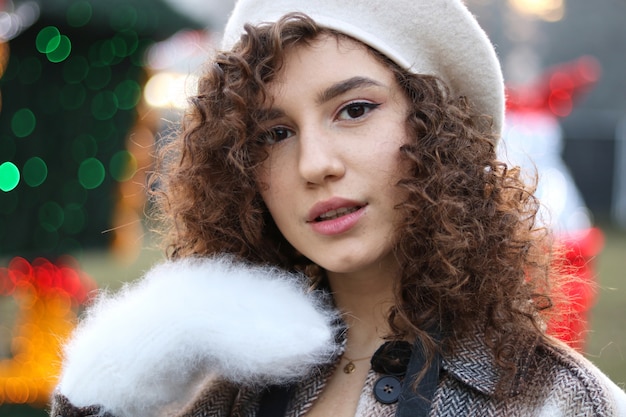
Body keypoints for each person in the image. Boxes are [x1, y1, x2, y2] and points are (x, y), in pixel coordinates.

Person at [50, 1, 626, 416]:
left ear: (437, 129)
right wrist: (108, 381)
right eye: (273, 133)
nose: (313, 164)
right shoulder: (217, 392)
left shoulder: (563, 403)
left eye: (353, 110)